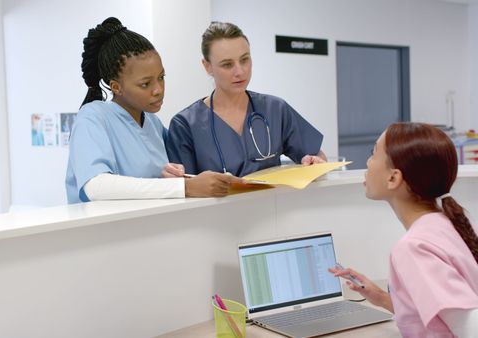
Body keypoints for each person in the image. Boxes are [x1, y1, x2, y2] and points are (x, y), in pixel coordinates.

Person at [65, 17, 242, 204]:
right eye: (145, 84)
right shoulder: (92, 117)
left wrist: (204, 179)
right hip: (103, 232)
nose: (158, 89)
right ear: (116, 87)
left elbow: (175, 169)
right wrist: (185, 188)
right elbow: (95, 186)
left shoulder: (152, 123)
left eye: (161, 77)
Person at [330, 122, 478, 337]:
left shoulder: (415, 248)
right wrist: (381, 297)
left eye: (373, 154)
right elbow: (440, 316)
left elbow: (469, 327)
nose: (368, 163)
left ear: (393, 178)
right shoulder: (454, 223)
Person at [166, 22, 326, 177]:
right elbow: (186, 187)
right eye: (227, 64)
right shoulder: (185, 125)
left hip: (274, 204)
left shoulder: (275, 109)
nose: (240, 71)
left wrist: (315, 161)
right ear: (207, 66)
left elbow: (315, 155)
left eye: (244, 60)